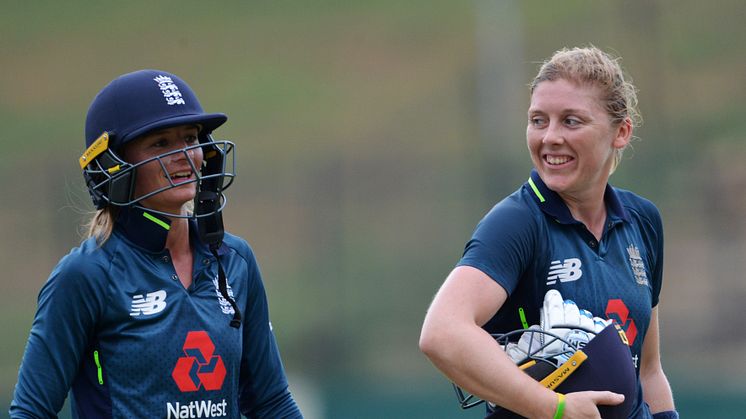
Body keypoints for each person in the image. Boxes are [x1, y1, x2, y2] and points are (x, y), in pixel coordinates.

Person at [10, 70, 303, 418]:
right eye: (161, 143)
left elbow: (271, 402)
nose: (185, 155)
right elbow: (31, 411)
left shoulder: (235, 260)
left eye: (191, 138)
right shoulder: (86, 275)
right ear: (113, 165)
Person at [419, 46, 678, 419]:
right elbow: (442, 332)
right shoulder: (518, 222)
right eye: (538, 120)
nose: (550, 137)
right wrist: (555, 408)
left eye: (571, 121)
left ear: (620, 132)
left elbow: (649, 370)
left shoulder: (643, 220)